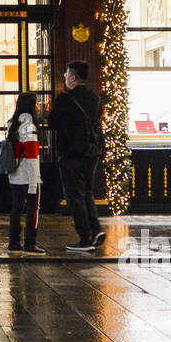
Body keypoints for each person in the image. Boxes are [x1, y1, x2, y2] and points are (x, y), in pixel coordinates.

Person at [49, 60, 106, 252]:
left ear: (73, 77)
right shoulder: (96, 99)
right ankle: (96, 229)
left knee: (75, 196)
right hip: (91, 153)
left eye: (66, 74)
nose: (64, 77)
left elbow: (52, 122)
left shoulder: (64, 99)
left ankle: (85, 239)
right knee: (87, 192)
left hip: (71, 153)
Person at [5, 92, 44, 255]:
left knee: (16, 208)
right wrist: (35, 181)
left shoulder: (12, 124)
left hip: (14, 175)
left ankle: (14, 241)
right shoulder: (30, 127)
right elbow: (32, 157)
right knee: (33, 209)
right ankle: (30, 242)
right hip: (29, 176)